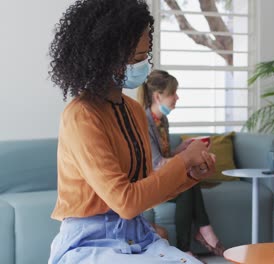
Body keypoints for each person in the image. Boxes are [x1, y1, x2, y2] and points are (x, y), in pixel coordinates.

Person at [47, 0, 216, 263]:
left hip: (136, 237)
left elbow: (145, 190)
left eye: (143, 58)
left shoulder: (135, 110)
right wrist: (183, 161)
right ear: (103, 58)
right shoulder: (82, 116)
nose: (141, 67)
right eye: (134, 59)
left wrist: (190, 174)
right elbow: (126, 202)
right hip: (89, 243)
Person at [138, 70, 225, 257]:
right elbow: (156, 164)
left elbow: (165, 156)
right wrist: (186, 160)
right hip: (151, 180)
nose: (177, 97)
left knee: (188, 183)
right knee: (187, 180)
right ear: (157, 96)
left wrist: (182, 149)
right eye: (172, 93)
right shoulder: (144, 121)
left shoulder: (162, 121)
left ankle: (189, 245)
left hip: (162, 174)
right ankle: (199, 235)